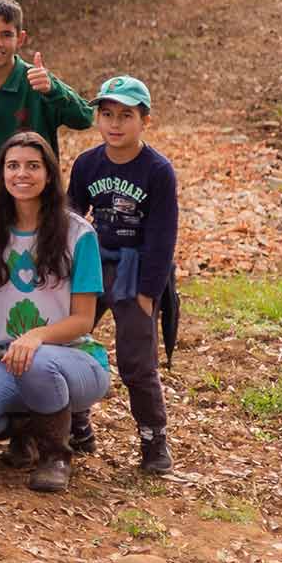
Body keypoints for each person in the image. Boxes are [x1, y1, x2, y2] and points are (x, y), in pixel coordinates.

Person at [0, 133, 110, 493]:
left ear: (49, 175)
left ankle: (55, 455)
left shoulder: (78, 234)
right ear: (2, 174)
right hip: (11, 362)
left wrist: (36, 337)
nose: (22, 174)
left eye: (33, 166)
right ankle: (30, 430)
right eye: (13, 166)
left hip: (75, 362)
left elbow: (83, 319)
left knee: (37, 361)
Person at [67, 76, 178, 474]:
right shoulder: (87, 164)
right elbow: (72, 215)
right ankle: (77, 425)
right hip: (94, 263)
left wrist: (149, 292)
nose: (115, 124)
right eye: (107, 114)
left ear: (145, 121)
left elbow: (163, 236)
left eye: (126, 115)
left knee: (136, 361)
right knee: (71, 341)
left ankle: (153, 440)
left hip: (136, 269)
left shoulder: (157, 170)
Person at [0, 0, 93, 219]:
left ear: (21, 39)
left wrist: (53, 89)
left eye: (7, 35)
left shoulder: (37, 82)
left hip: (40, 201)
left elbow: (85, 117)